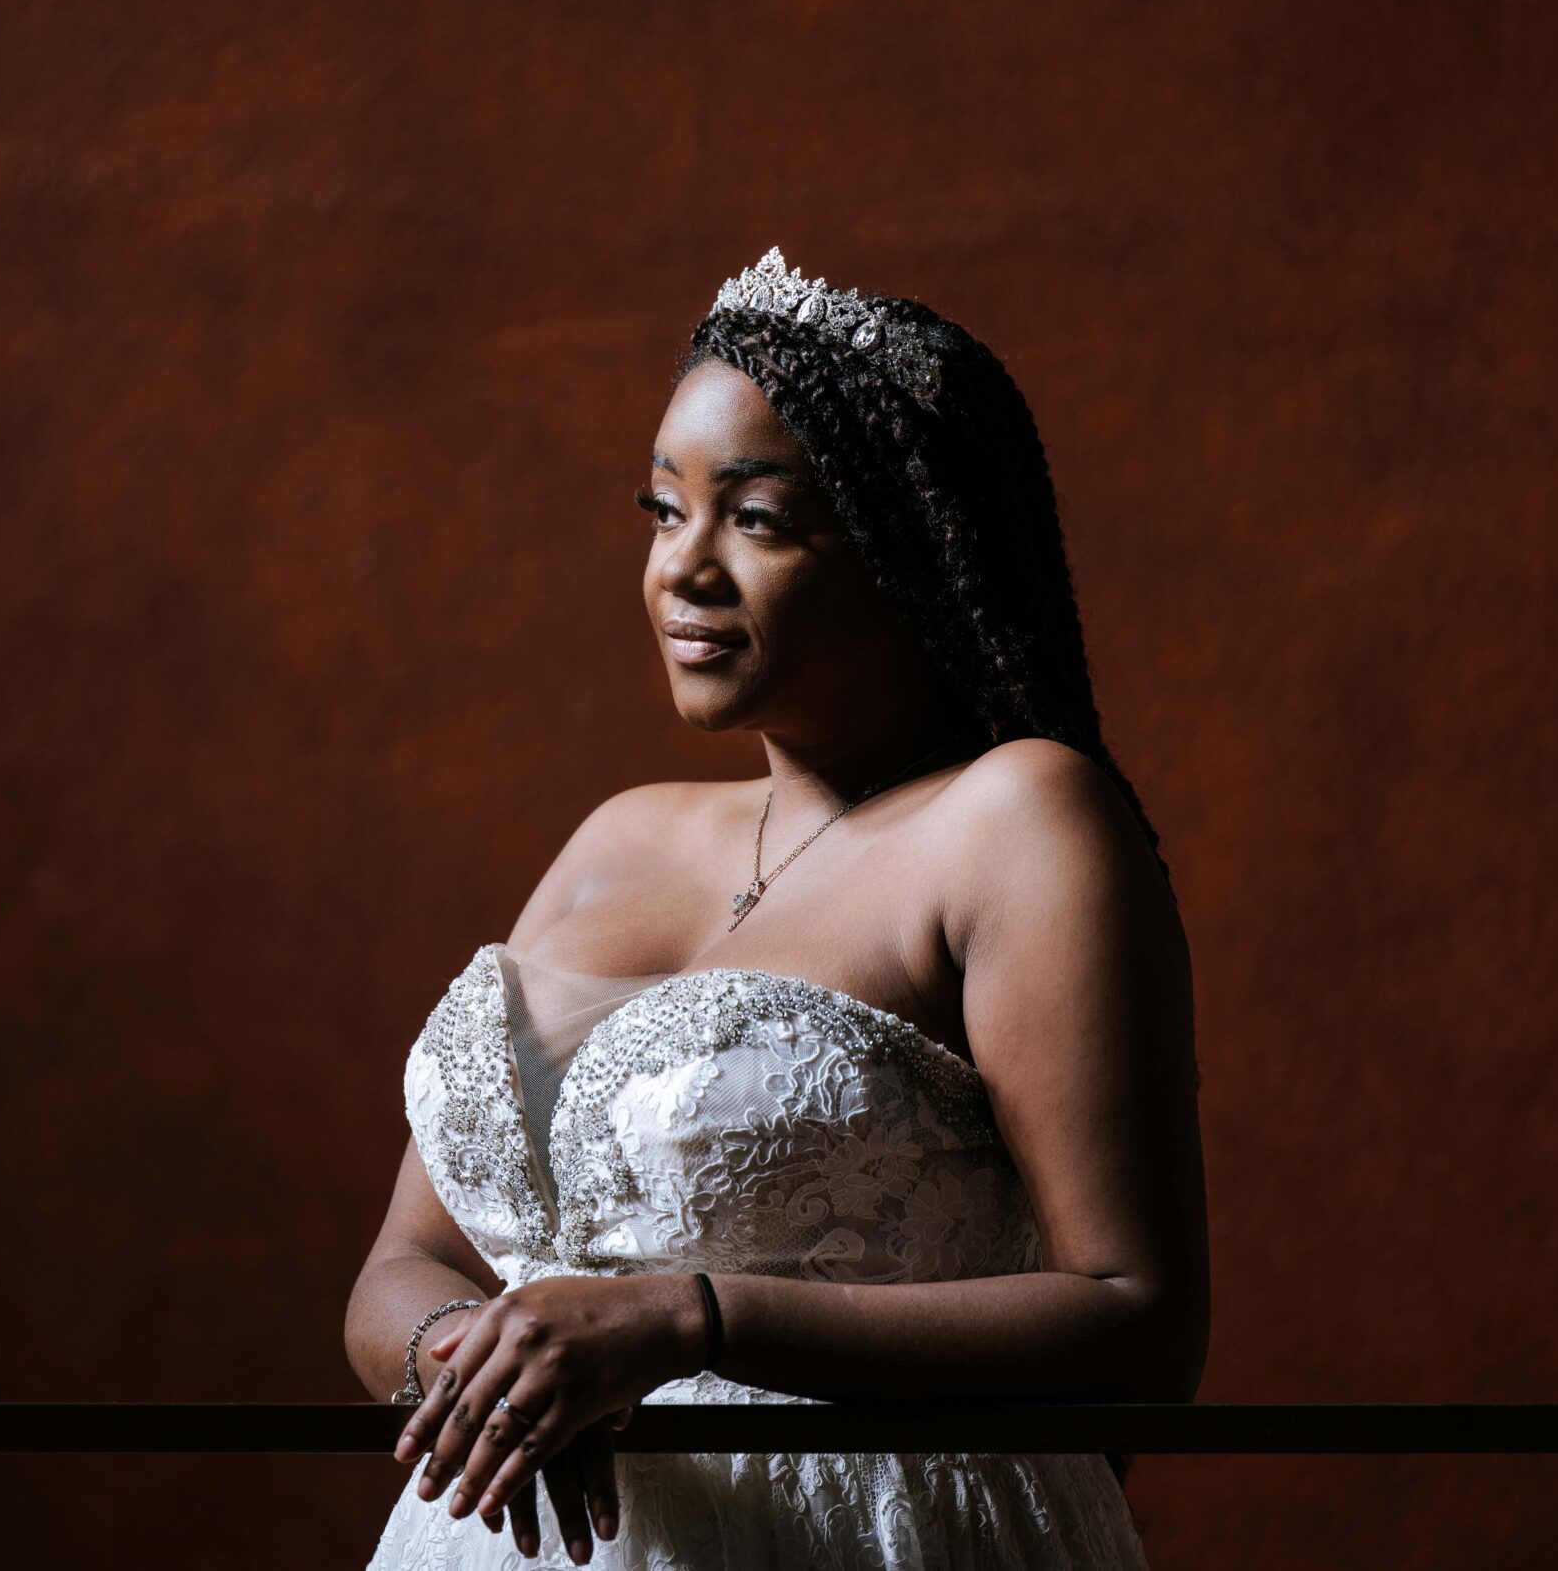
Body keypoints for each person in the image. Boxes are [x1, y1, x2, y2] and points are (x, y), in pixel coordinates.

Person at [345, 248, 1208, 1568]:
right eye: (662, 509)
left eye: (756, 519)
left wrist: (692, 1321)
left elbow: (1137, 1324)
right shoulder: (615, 838)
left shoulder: (1019, 821)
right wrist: (474, 1362)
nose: (682, 569)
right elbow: (401, 1265)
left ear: (917, 549)